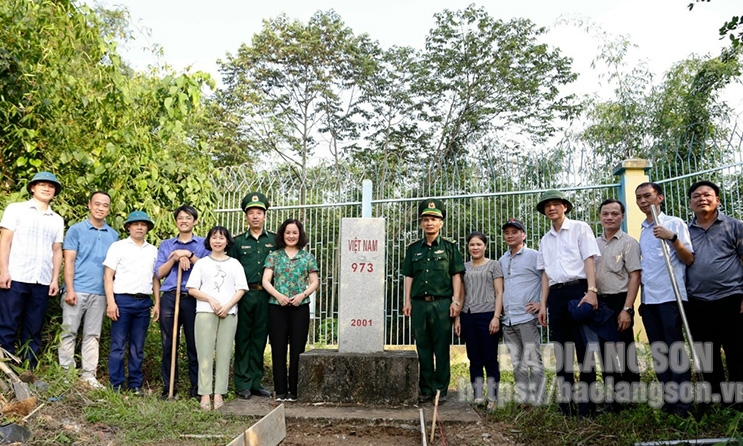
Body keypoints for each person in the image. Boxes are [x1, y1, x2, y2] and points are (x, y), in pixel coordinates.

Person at [535, 189, 601, 417]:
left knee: (585, 350)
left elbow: (589, 260)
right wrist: (543, 304)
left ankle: (587, 406)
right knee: (562, 351)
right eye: (547, 205)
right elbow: (545, 275)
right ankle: (566, 405)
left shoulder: (580, 228)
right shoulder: (545, 239)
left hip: (578, 291)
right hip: (556, 295)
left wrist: (592, 291)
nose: (551, 208)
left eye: (556, 204)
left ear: (565, 206)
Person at [635, 182, 694, 417]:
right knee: (659, 352)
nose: (643, 201)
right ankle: (670, 401)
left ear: (659, 198)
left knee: (675, 350)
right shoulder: (641, 230)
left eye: (647, 196)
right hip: (649, 300)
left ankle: (684, 405)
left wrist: (673, 238)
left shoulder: (674, 223)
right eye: (638, 197)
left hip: (671, 298)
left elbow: (689, 258)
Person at [402, 199, 465, 404]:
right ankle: (426, 388)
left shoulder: (449, 248)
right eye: (426, 219)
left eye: (434, 219)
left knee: (441, 347)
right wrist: (407, 301)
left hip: (441, 304)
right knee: (423, 347)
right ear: (421, 223)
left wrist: (455, 301)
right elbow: (409, 277)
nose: (429, 223)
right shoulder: (413, 250)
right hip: (419, 304)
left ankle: (440, 390)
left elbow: (456, 275)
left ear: (441, 223)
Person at [685, 180, 743, 401]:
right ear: (690, 203)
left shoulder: (734, 226)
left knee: (736, 351)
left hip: (731, 298)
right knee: (706, 354)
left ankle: (738, 400)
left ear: (717, 200)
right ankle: (716, 399)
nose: (702, 199)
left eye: (707, 194)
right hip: (697, 301)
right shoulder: (686, 231)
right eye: (696, 195)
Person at [0, 171, 64, 368]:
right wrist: (3, 271)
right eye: (42, 184)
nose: (47, 188)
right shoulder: (16, 209)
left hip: (42, 281)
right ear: (32, 187)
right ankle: (4, 367)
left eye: (51, 186)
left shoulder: (57, 219)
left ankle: (28, 368)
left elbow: (56, 250)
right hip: (16, 276)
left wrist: (54, 279)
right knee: (7, 324)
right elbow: (5, 240)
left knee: (34, 327)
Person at [58, 191, 118, 388]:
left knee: (93, 335)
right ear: (89, 205)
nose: (101, 208)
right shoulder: (76, 230)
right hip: (77, 290)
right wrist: (70, 289)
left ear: (109, 209)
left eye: (105, 205)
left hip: (100, 293)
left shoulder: (113, 235)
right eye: (97, 204)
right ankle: (66, 374)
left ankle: (88, 375)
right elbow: (69, 261)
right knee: (69, 332)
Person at [186, 226, 247, 411]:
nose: (218, 241)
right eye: (214, 237)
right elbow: (192, 288)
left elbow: (241, 288)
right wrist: (210, 299)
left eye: (222, 238)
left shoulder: (235, 263)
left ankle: (219, 392)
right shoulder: (202, 263)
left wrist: (228, 306)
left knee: (224, 353)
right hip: (205, 312)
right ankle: (205, 393)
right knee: (204, 354)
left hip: (228, 313)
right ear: (209, 241)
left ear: (227, 241)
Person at [155, 205, 210, 399]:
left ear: (195, 221)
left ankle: (197, 389)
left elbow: (207, 268)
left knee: (195, 344)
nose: (184, 220)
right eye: (180, 217)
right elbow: (159, 273)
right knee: (169, 344)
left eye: (188, 217)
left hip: (194, 299)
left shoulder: (203, 244)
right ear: (176, 221)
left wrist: (188, 255)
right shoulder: (167, 245)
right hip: (171, 297)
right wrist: (175, 256)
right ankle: (169, 387)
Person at [262, 218, 319, 402]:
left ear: (300, 235)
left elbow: (315, 282)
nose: (291, 236)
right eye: (288, 232)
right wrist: (278, 296)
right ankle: (280, 391)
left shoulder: (307, 257)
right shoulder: (274, 256)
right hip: (277, 307)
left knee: (297, 348)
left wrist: (302, 295)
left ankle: (294, 390)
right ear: (282, 234)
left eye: (295, 232)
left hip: (299, 307)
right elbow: (265, 281)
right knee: (278, 348)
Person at [103, 211, 160, 394]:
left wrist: (157, 302)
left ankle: (135, 384)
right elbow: (108, 275)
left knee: (138, 346)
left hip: (143, 302)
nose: (139, 227)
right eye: (135, 224)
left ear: (147, 228)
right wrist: (111, 302)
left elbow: (155, 278)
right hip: (122, 301)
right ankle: (116, 384)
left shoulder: (152, 250)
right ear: (128, 226)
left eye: (143, 225)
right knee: (118, 344)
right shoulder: (118, 247)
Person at [595, 198, 642, 410]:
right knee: (606, 352)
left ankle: (632, 398)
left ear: (622, 216)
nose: (610, 217)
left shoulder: (629, 243)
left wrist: (627, 309)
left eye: (615, 213)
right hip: (600, 303)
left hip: (620, 301)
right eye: (606, 213)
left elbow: (635, 276)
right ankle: (613, 398)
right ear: (600, 217)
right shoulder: (593, 244)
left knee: (625, 350)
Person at [229, 192, 276, 399]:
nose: (255, 216)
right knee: (242, 338)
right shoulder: (237, 242)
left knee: (259, 339)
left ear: (265, 215)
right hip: (244, 295)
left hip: (266, 295)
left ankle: (256, 382)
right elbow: (230, 269)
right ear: (246, 217)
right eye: (251, 213)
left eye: (259, 212)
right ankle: (242, 383)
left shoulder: (274, 240)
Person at [498, 218, 545, 406]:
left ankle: (539, 401)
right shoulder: (502, 259)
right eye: (507, 232)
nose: (510, 235)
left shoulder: (534, 255)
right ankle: (524, 400)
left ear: (523, 235)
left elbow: (546, 279)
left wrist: (543, 303)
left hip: (527, 317)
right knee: (517, 361)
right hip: (508, 319)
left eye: (515, 232)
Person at [454, 231, 503, 408]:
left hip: (488, 315)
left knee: (490, 358)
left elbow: (499, 293)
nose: (475, 248)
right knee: (474, 358)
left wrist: (496, 317)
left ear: (485, 246)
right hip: (468, 316)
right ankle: (478, 396)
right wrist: (457, 318)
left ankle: (493, 398)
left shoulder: (494, 265)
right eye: (472, 245)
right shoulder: (463, 267)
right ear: (468, 247)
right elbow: (461, 294)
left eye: (478, 244)